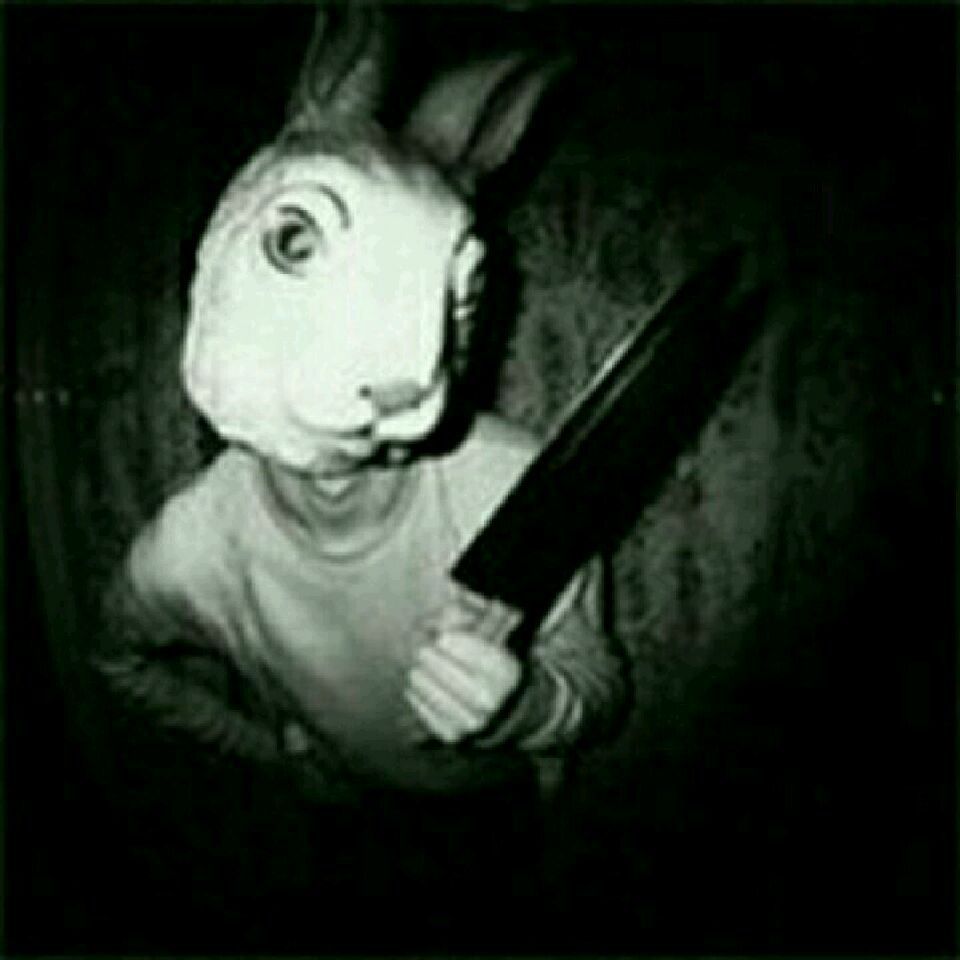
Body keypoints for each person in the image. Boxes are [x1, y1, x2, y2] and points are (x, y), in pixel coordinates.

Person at [93, 5, 627, 947]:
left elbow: (599, 682)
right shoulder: (191, 551)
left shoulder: (515, 484)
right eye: (297, 245)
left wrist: (531, 707)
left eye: (457, 291)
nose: (403, 370)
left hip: (491, 824)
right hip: (341, 825)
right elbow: (117, 658)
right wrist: (271, 748)